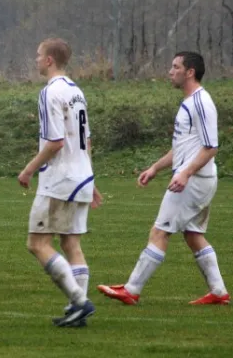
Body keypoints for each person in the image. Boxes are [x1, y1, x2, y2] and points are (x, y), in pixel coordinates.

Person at [98, 52, 229, 305]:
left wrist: (185, 173)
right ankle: (218, 291)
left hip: (193, 181)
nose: (170, 71)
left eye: (175, 67)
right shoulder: (189, 102)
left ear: (189, 72)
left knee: (159, 231)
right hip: (196, 179)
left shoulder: (201, 103)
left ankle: (132, 290)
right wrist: (155, 168)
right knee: (193, 235)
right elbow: (183, 147)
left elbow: (211, 147)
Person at [17, 38, 101, 327]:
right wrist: (91, 178)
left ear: (50, 60)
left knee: (37, 243)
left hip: (61, 178)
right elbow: (85, 140)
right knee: (70, 243)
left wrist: (28, 169)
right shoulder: (77, 91)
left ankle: (79, 301)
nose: (36, 59)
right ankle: (78, 309)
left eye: (39, 55)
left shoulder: (49, 92)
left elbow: (55, 141)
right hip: (81, 176)